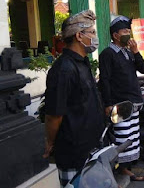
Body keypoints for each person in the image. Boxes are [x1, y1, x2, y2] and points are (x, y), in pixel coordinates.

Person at [43, 10, 104, 187]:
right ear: (79, 35)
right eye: (92, 32)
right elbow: (54, 115)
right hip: (74, 152)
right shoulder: (64, 69)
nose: (95, 37)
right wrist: (50, 142)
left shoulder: (83, 63)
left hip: (91, 147)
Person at [98, 15, 144, 182]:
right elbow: (104, 80)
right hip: (119, 104)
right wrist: (108, 104)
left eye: (129, 30)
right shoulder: (108, 54)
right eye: (125, 31)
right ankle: (118, 171)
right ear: (115, 35)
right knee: (122, 137)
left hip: (133, 102)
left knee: (132, 137)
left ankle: (126, 169)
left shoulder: (128, 51)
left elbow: (143, 69)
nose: (128, 33)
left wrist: (136, 52)